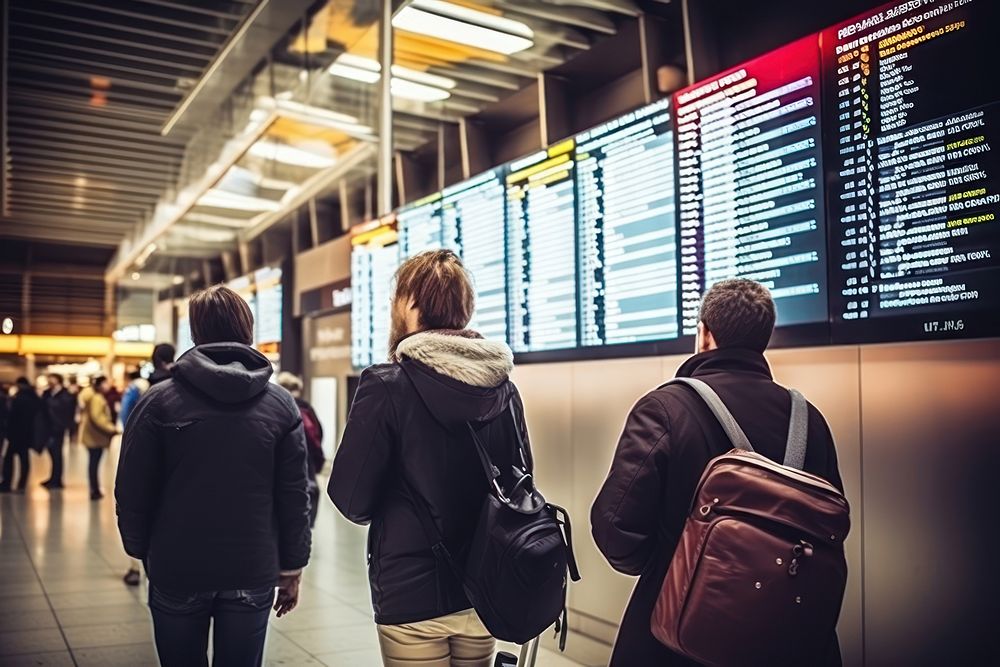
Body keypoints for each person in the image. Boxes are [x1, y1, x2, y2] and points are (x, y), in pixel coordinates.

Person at [590, 279, 845, 666]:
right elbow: (831, 529)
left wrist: (666, 566)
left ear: (705, 334)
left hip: (677, 638)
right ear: (765, 337)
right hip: (788, 637)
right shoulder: (810, 420)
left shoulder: (665, 408)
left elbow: (616, 530)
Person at [330, 249, 527, 667]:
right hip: (485, 588)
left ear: (409, 307)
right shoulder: (503, 388)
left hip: (410, 593)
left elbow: (351, 499)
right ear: (465, 308)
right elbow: (520, 486)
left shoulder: (387, 385)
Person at [115, 285, 311, 667]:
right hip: (252, 566)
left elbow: (133, 487)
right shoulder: (281, 405)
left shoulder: (158, 402)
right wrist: (292, 565)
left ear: (195, 332)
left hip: (177, 565)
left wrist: (141, 549)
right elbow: (295, 493)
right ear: (248, 329)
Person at [277, 372, 325, 528]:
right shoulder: (305, 408)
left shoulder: (274, 407)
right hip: (306, 468)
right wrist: (318, 462)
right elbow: (316, 437)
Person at [0, 377, 41, 494]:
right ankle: (22, 483)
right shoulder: (33, 398)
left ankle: (7, 483)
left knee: (9, 458)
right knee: (24, 459)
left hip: (15, 433)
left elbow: (12, 416)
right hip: (27, 433)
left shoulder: (18, 398)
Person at [79, 376, 117, 500]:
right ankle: (94, 490)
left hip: (92, 435)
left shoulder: (95, 397)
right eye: (106, 383)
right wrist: (111, 428)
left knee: (93, 463)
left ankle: (94, 489)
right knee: (94, 463)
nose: (108, 385)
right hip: (95, 437)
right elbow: (97, 418)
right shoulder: (97, 398)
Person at [40, 373, 77, 489]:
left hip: (58, 429)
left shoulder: (65, 395)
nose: (50, 381)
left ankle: (57, 480)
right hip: (48, 428)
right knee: (51, 453)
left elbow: (66, 410)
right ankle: (53, 477)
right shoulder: (47, 393)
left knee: (57, 454)